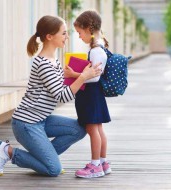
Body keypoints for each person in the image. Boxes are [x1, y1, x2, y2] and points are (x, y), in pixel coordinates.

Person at [0, 15, 102, 177]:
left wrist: (75, 74)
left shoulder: (53, 61)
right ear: (50, 37)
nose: (67, 36)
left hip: (41, 119)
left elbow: (60, 85)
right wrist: (83, 77)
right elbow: (62, 96)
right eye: (63, 33)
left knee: (79, 129)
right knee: (53, 170)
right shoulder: (43, 64)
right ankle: (7, 151)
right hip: (26, 124)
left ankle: (45, 159)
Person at [66, 10, 112, 178]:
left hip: (91, 95)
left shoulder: (95, 50)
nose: (79, 36)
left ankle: (95, 166)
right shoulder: (99, 48)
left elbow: (93, 77)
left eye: (79, 32)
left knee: (93, 130)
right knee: (98, 130)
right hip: (95, 95)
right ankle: (102, 162)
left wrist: (73, 75)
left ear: (88, 28)